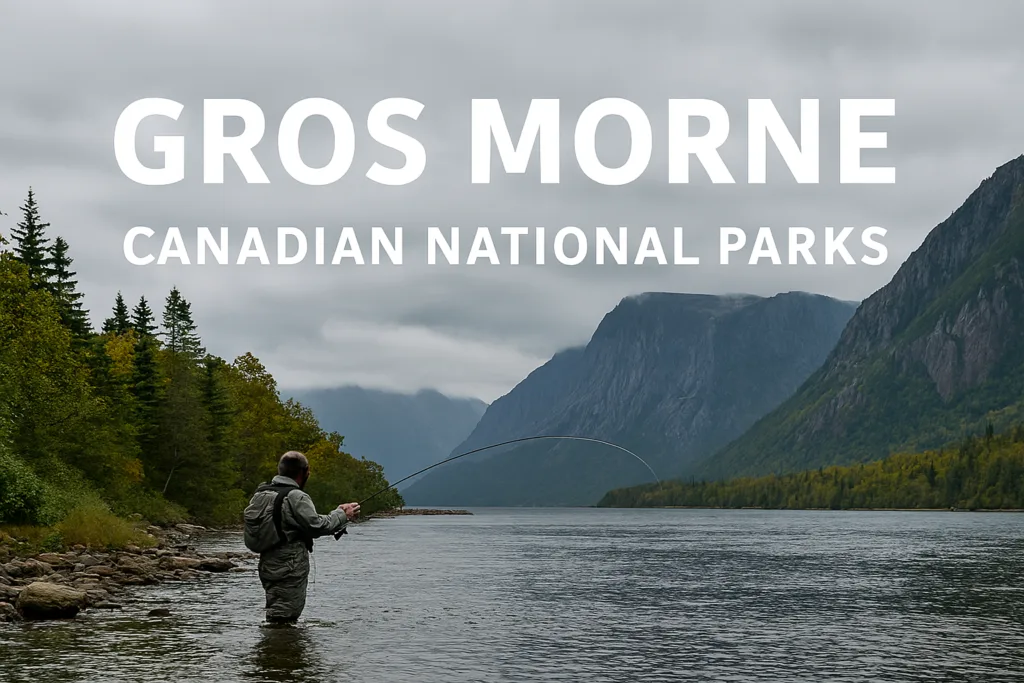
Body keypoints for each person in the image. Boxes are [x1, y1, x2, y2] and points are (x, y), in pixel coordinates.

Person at [246, 450, 360, 624]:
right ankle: (281, 649)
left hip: (268, 564)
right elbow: (317, 526)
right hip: (289, 567)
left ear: (280, 469)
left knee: (276, 611)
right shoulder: (296, 496)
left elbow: (297, 521)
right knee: (285, 617)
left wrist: (338, 512)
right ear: (304, 472)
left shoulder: (262, 494)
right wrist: (343, 515)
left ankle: (272, 648)